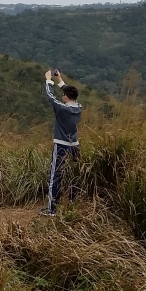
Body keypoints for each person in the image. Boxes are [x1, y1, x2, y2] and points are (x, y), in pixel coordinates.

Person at [41, 68, 82, 216]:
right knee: (73, 175)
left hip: (61, 146)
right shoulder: (78, 107)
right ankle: (73, 204)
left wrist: (48, 80)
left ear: (65, 97)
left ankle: (52, 209)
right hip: (75, 146)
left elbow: (50, 96)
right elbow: (71, 93)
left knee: (56, 176)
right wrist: (60, 79)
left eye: (63, 95)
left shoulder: (62, 109)